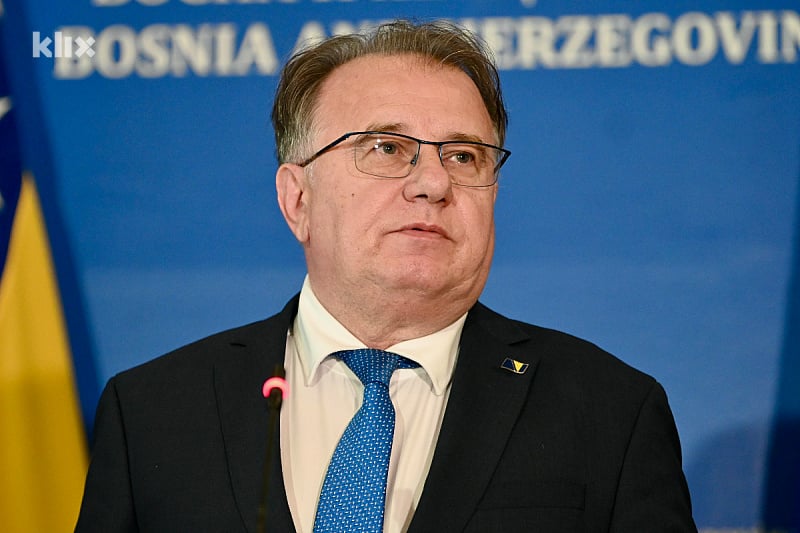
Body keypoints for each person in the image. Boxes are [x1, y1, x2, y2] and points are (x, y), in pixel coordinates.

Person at [75, 19, 696, 532]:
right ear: (297, 200)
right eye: (386, 148)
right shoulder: (154, 412)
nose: (433, 183)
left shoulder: (610, 411)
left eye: (464, 155)